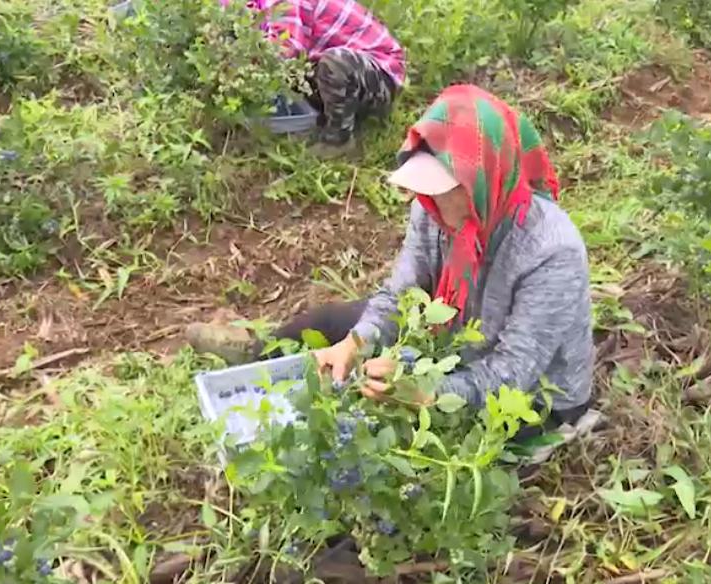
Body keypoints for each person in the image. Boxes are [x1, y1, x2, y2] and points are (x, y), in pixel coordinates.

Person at [188, 84, 595, 449]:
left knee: (392, 431)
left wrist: (425, 391)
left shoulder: (550, 252)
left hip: (532, 399)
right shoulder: (435, 210)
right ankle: (257, 353)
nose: (429, 201)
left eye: (442, 189)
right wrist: (356, 342)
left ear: (485, 178)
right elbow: (401, 292)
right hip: (454, 334)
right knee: (340, 321)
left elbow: (510, 374)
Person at [245, 0, 406, 159]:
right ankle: (320, 116)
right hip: (330, 67)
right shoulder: (254, 5)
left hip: (380, 74)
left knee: (335, 63)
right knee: (317, 68)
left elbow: (286, 50)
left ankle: (338, 139)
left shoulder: (284, 3)